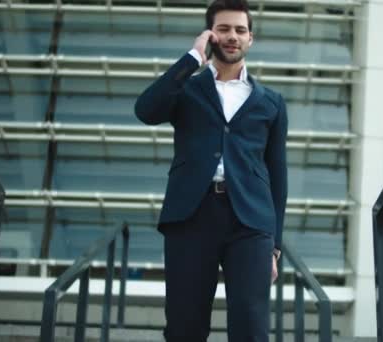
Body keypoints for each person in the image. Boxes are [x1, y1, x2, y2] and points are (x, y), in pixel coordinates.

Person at [134, 0, 288, 340]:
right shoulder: (187, 88)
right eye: (223, 29)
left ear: (251, 38)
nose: (232, 36)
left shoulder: (272, 102)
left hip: (250, 222)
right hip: (191, 216)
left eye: (240, 30)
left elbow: (277, 173)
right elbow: (145, 110)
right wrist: (192, 58)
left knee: (251, 327)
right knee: (184, 326)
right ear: (210, 35)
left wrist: (275, 245)